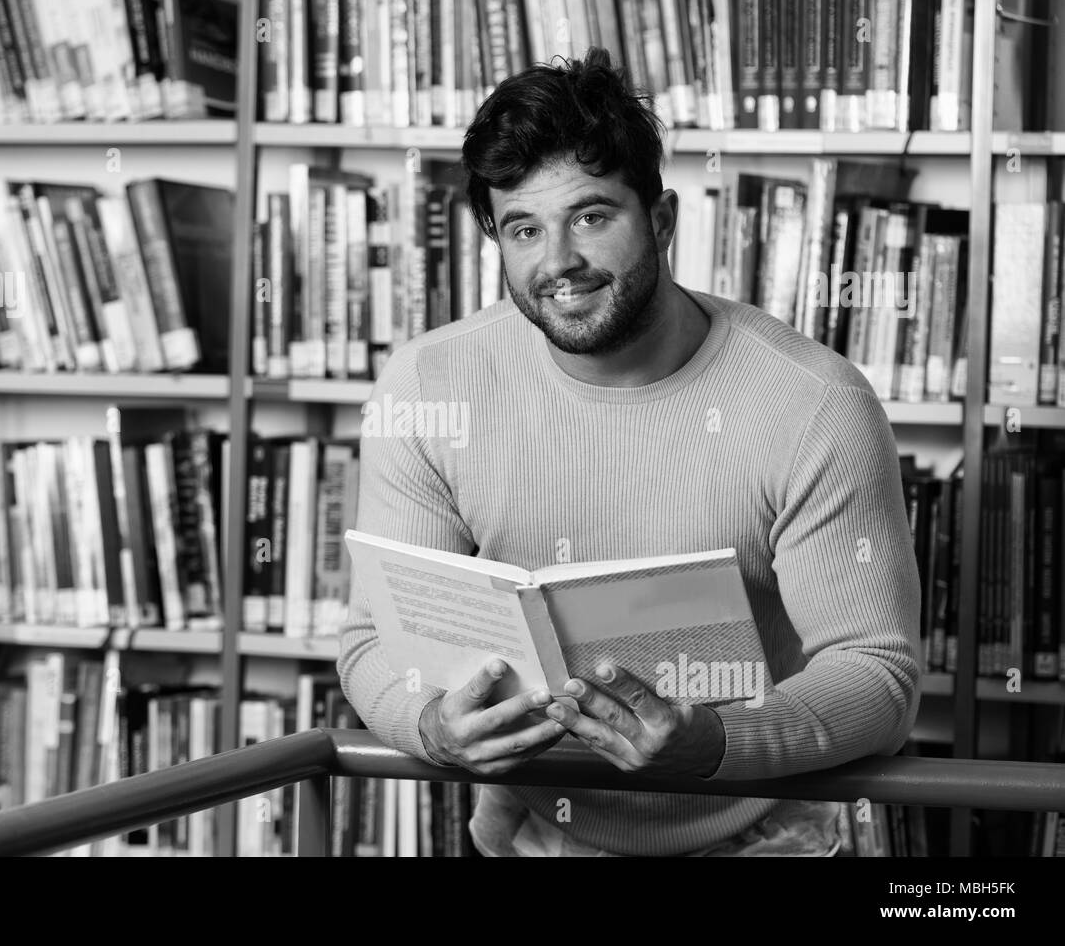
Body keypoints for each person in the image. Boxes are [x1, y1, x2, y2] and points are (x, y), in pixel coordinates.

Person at [335, 47, 921, 857]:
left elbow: (877, 673)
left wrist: (715, 743)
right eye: (523, 229)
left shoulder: (815, 403)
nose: (559, 263)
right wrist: (431, 725)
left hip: (758, 834)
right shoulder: (429, 383)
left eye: (591, 216)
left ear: (664, 219)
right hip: (531, 836)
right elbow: (374, 642)